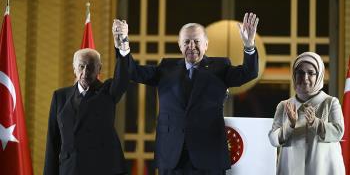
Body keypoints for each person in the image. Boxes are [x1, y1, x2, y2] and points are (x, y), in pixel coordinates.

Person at [113, 12, 259, 174]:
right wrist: (124, 45)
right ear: (179, 45)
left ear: (206, 44)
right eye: (186, 42)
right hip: (172, 156)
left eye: (196, 41)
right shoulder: (166, 67)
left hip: (208, 156)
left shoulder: (220, 67)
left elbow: (248, 73)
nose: (191, 46)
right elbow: (134, 72)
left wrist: (249, 46)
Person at [43, 26, 130, 175]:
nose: (85, 72)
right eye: (81, 66)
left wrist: (123, 45)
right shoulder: (60, 96)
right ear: (74, 68)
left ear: (99, 69)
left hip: (100, 169)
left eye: (90, 67)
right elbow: (53, 142)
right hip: (69, 170)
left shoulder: (108, 92)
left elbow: (122, 78)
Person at [268, 52, 345, 175]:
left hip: (322, 169)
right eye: (300, 72)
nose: (305, 78)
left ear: (319, 75)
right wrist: (290, 125)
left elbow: (338, 132)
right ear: (294, 75)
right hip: (291, 169)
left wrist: (315, 123)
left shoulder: (330, 102)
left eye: (311, 73)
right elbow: (273, 139)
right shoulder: (284, 106)